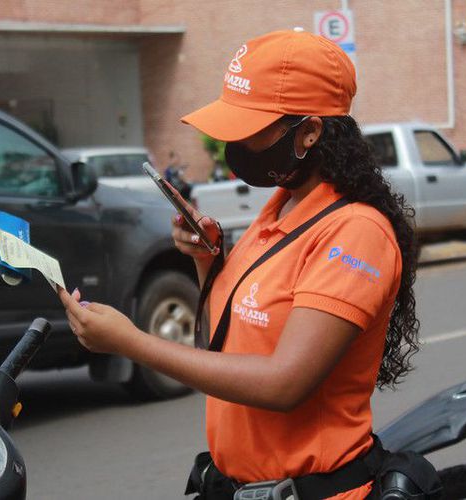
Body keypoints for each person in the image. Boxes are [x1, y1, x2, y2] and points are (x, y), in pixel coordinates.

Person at [59, 29, 420, 499]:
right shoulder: (276, 210)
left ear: (310, 131)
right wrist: (206, 263)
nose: (236, 143)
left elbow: (284, 384)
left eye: (251, 129)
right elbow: (219, 347)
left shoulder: (356, 233)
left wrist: (132, 343)